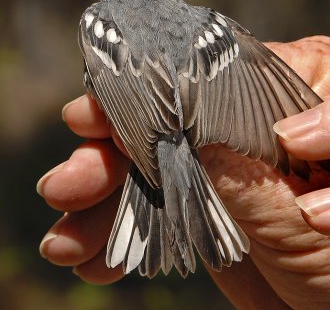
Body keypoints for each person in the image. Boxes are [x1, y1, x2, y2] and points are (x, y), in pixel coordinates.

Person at [37, 36, 330, 309]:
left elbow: (102, 82)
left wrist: (146, 140)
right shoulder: (209, 26)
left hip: (152, 140)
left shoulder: (97, 21)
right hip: (173, 141)